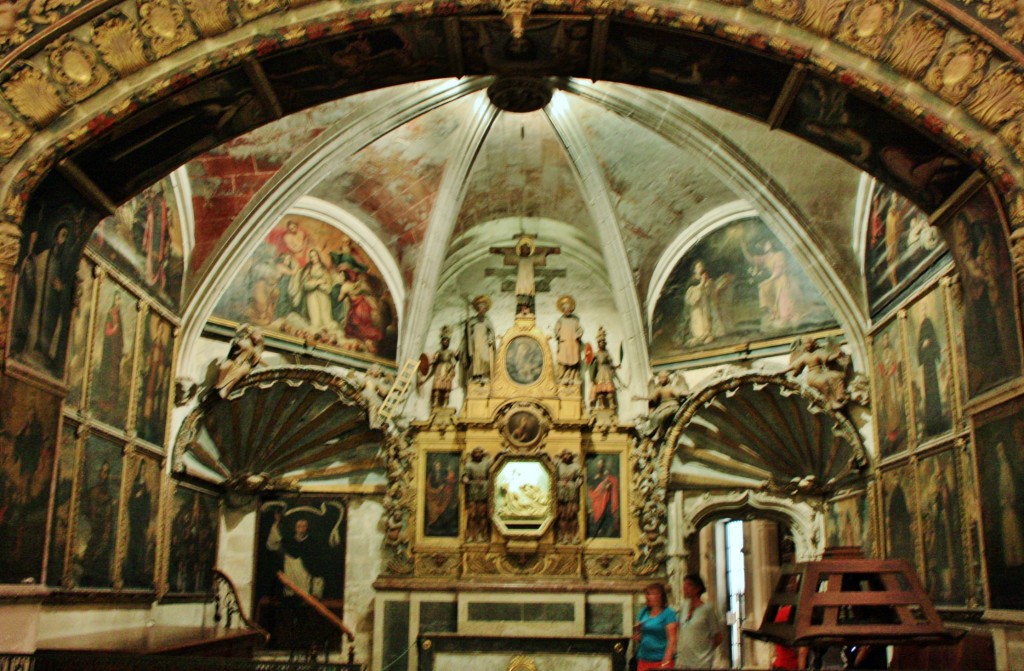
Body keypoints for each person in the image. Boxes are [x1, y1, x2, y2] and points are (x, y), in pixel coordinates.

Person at [266, 512, 340, 598]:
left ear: (307, 527)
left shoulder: (312, 544)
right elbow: (271, 544)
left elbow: (317, 571)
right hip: (290, 591)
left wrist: (316, 593)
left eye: (304, 525)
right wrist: (277, 523)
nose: (301, 527)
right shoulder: (288, 541)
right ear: (294, 526)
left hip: (307, 592)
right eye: (298, 525)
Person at [677, 574, 724, 669]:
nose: (685, 588)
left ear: (697, 588)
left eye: (689, 585)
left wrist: (705, 650)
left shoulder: (707, 609)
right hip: (683, 661)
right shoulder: (683, 607)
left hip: (701, 662)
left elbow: (718, 637)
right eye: (684, 585)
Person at [633, 582, 678, 670]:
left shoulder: (668, 613)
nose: (648, 597)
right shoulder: (643, 612)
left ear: (660, 596)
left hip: (661, 659)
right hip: (644, 658)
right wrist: (638, 635)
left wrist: (666, 662)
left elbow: (672, 640)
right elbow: (640, 634)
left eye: (651, 594)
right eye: (647, 594)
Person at [462, 294, 495, 384]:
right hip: (475, 344)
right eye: (480, 307)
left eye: (483, 307)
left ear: (485, 309)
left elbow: (491, 332)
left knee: (485, 358)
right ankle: (476, 376)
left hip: (484, 343)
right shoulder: (472, 321)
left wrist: (491, 339)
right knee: (476, 360)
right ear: (477, 309)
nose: (481, 309)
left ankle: (484, 375)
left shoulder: (487, 321)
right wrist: (467, 326)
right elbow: (468, 334)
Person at [554, 294, 583, 384]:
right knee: (563, 361)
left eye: (569, 308)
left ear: (571, 309)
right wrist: (558, 335)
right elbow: (556, 330)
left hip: (573, 344)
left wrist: (578, 334)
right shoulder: (560, 320)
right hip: (564, 343)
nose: (567, 310)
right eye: (565, 308)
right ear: (562, 310)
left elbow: (580, 330)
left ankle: (572, 376)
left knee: (573, 361)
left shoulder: (575, 321)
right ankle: (563, 377)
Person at [587, 457, 619, 537]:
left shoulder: (607, 477)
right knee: (595, 519)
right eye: (599, 464)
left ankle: (602, 531)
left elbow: (612, 484)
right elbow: (592, 491)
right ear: (597, 465)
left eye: (602, 464)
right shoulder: (595, 478)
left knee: (606, 519)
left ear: (604, 465)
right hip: (597, 502)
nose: (600, 465)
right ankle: (597, 531)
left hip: (606, 501)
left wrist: (609, 486)